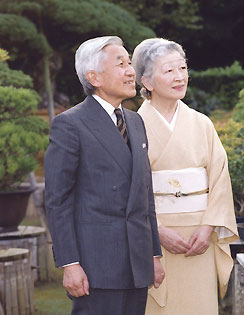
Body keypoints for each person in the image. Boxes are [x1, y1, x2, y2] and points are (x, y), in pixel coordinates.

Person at [44, 36, 163, 315]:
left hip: (137, 261)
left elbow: (145, 195)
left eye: (129, 62)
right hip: (96, 265)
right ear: (94, 77)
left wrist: (154, 254)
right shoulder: (70, 124)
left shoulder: (134, 121)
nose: (131, 70)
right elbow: (57, 201)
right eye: (120, 64)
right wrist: (69, 263)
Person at [131, 38, 239, 315]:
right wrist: (156, 232)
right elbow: (126, 189)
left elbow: (219, 179)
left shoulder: (202, 123)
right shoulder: (132, 127)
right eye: (169, 71)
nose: (180, 77)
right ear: (147, 82)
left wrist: (209, 228)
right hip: (154, 237)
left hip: (198, 239)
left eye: (183, 68)